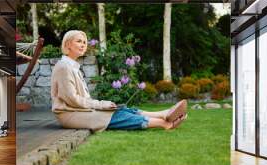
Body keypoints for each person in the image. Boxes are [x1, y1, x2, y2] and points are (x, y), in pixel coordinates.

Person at [51, 30, 187, 132]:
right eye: (79, 41)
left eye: (84, 42)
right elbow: (72, 99)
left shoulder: (71, 66)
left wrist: (102, 105)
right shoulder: (64, 67)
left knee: (120, 109)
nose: (83, 45)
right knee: (115, 116)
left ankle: (163, 115)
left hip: (77, 111)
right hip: (70, 114)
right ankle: (163, 123)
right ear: (68, 44)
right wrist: (100, 104)